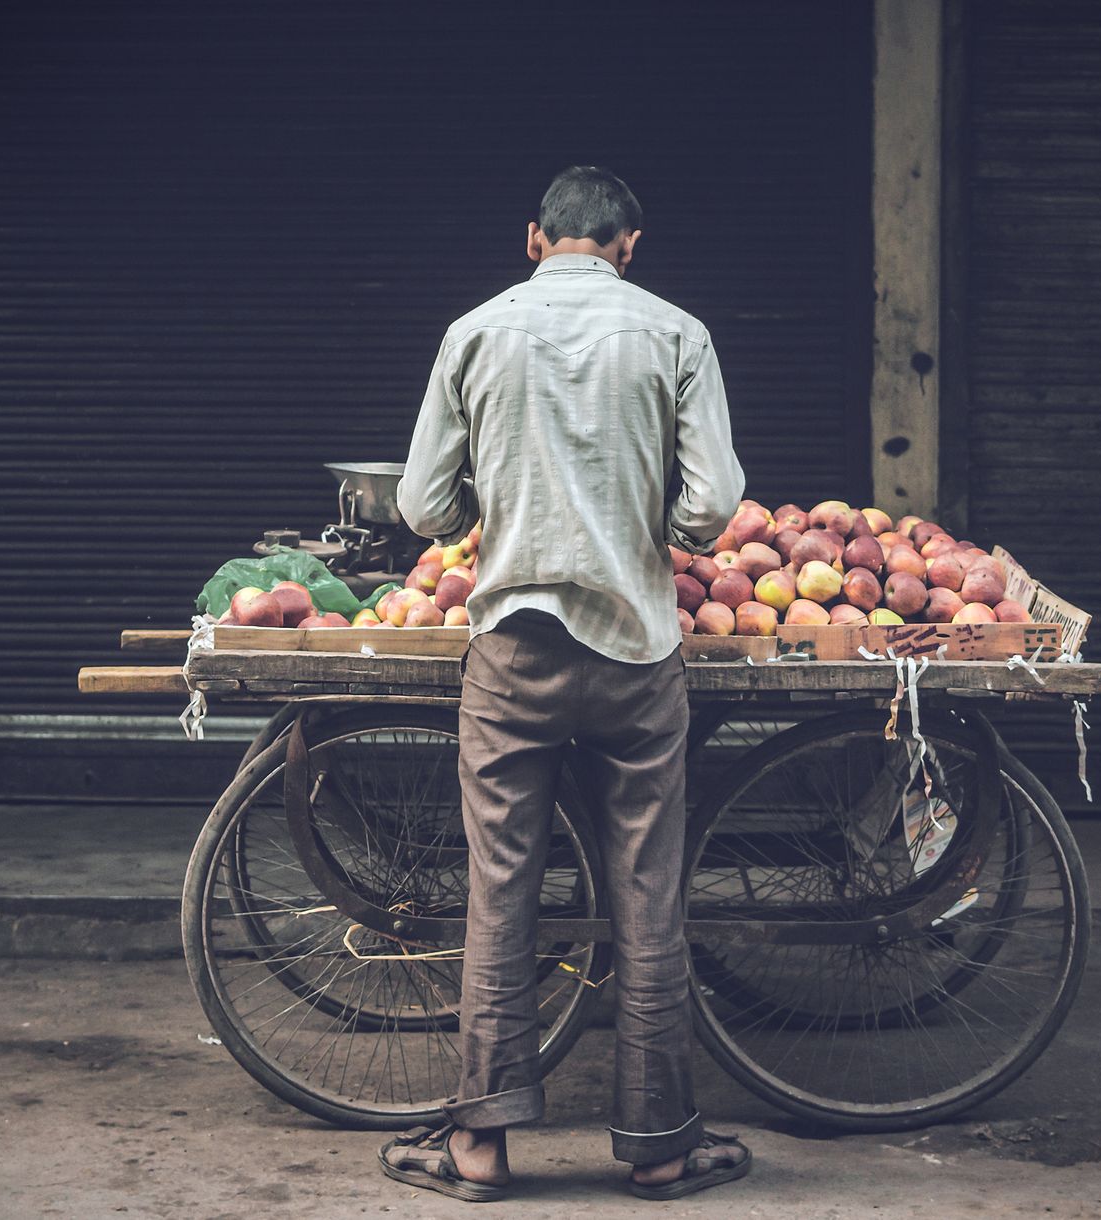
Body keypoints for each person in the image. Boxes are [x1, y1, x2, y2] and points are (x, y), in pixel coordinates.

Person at [388, 165, 749, 1202]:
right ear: (629, 246)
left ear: (535, 238)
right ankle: (660, 1147)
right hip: (637, 652)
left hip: (512, 652)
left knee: (500, 890)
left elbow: (423, 506)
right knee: (648, 894)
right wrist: (650, 524)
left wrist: (492, 502)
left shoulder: (475, 331)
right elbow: (711, 505)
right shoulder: (676, 333)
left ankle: (479, 1147)